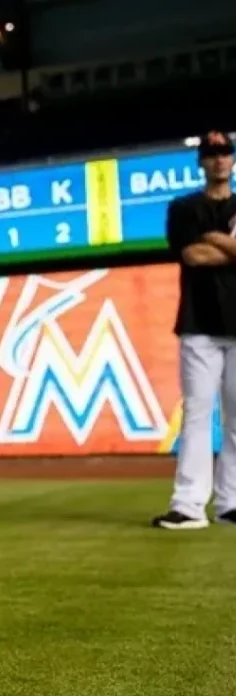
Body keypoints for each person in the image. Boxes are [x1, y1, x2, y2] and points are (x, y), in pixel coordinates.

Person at [152, 130, 236, 530]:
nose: (219, 159)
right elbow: (191, 255)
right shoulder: (183, 207)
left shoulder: (223, 211)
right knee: (198, 416)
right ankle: (188, 505)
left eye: (225, 152)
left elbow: (205, 250)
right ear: (201, 161)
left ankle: (230, 503)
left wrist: (214, 238)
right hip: (199, 323)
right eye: (212, 153)